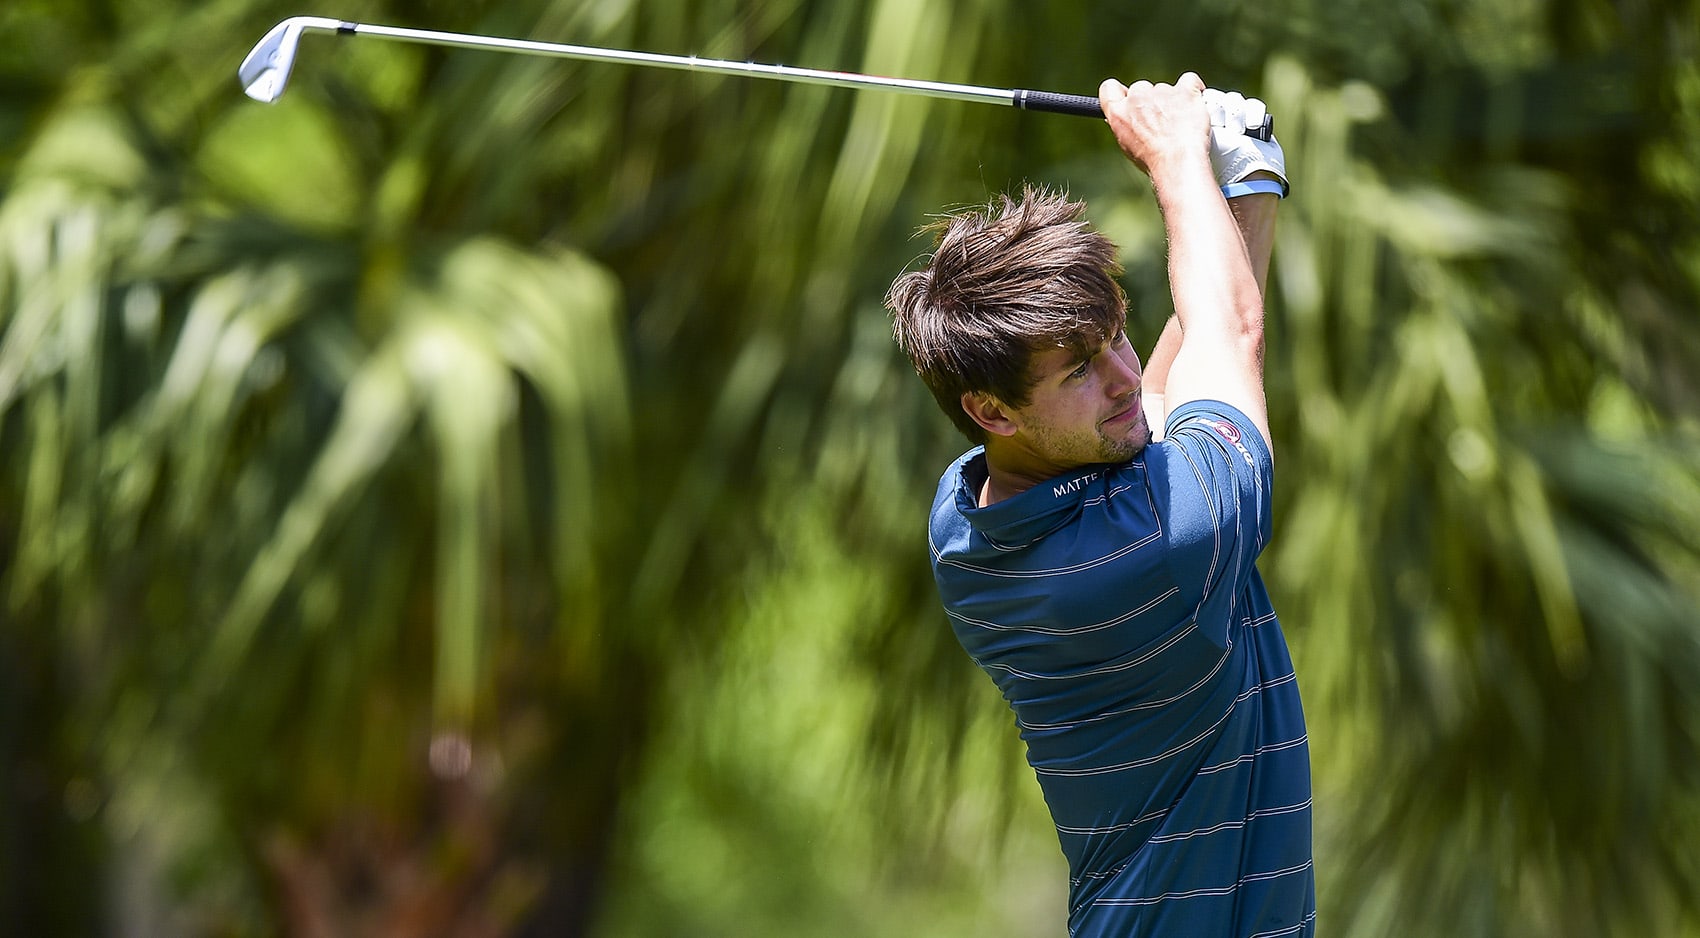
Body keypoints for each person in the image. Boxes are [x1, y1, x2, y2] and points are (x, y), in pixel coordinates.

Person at [885, 73, 1313, 937]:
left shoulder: (967, 516)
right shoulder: (1151, 555)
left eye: (1115, 331)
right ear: (992, 410)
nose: (1120, 373)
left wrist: (1243, 182)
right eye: (1078, 368)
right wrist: (1174, 161)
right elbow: (1229, 340)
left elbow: (1162, 404)